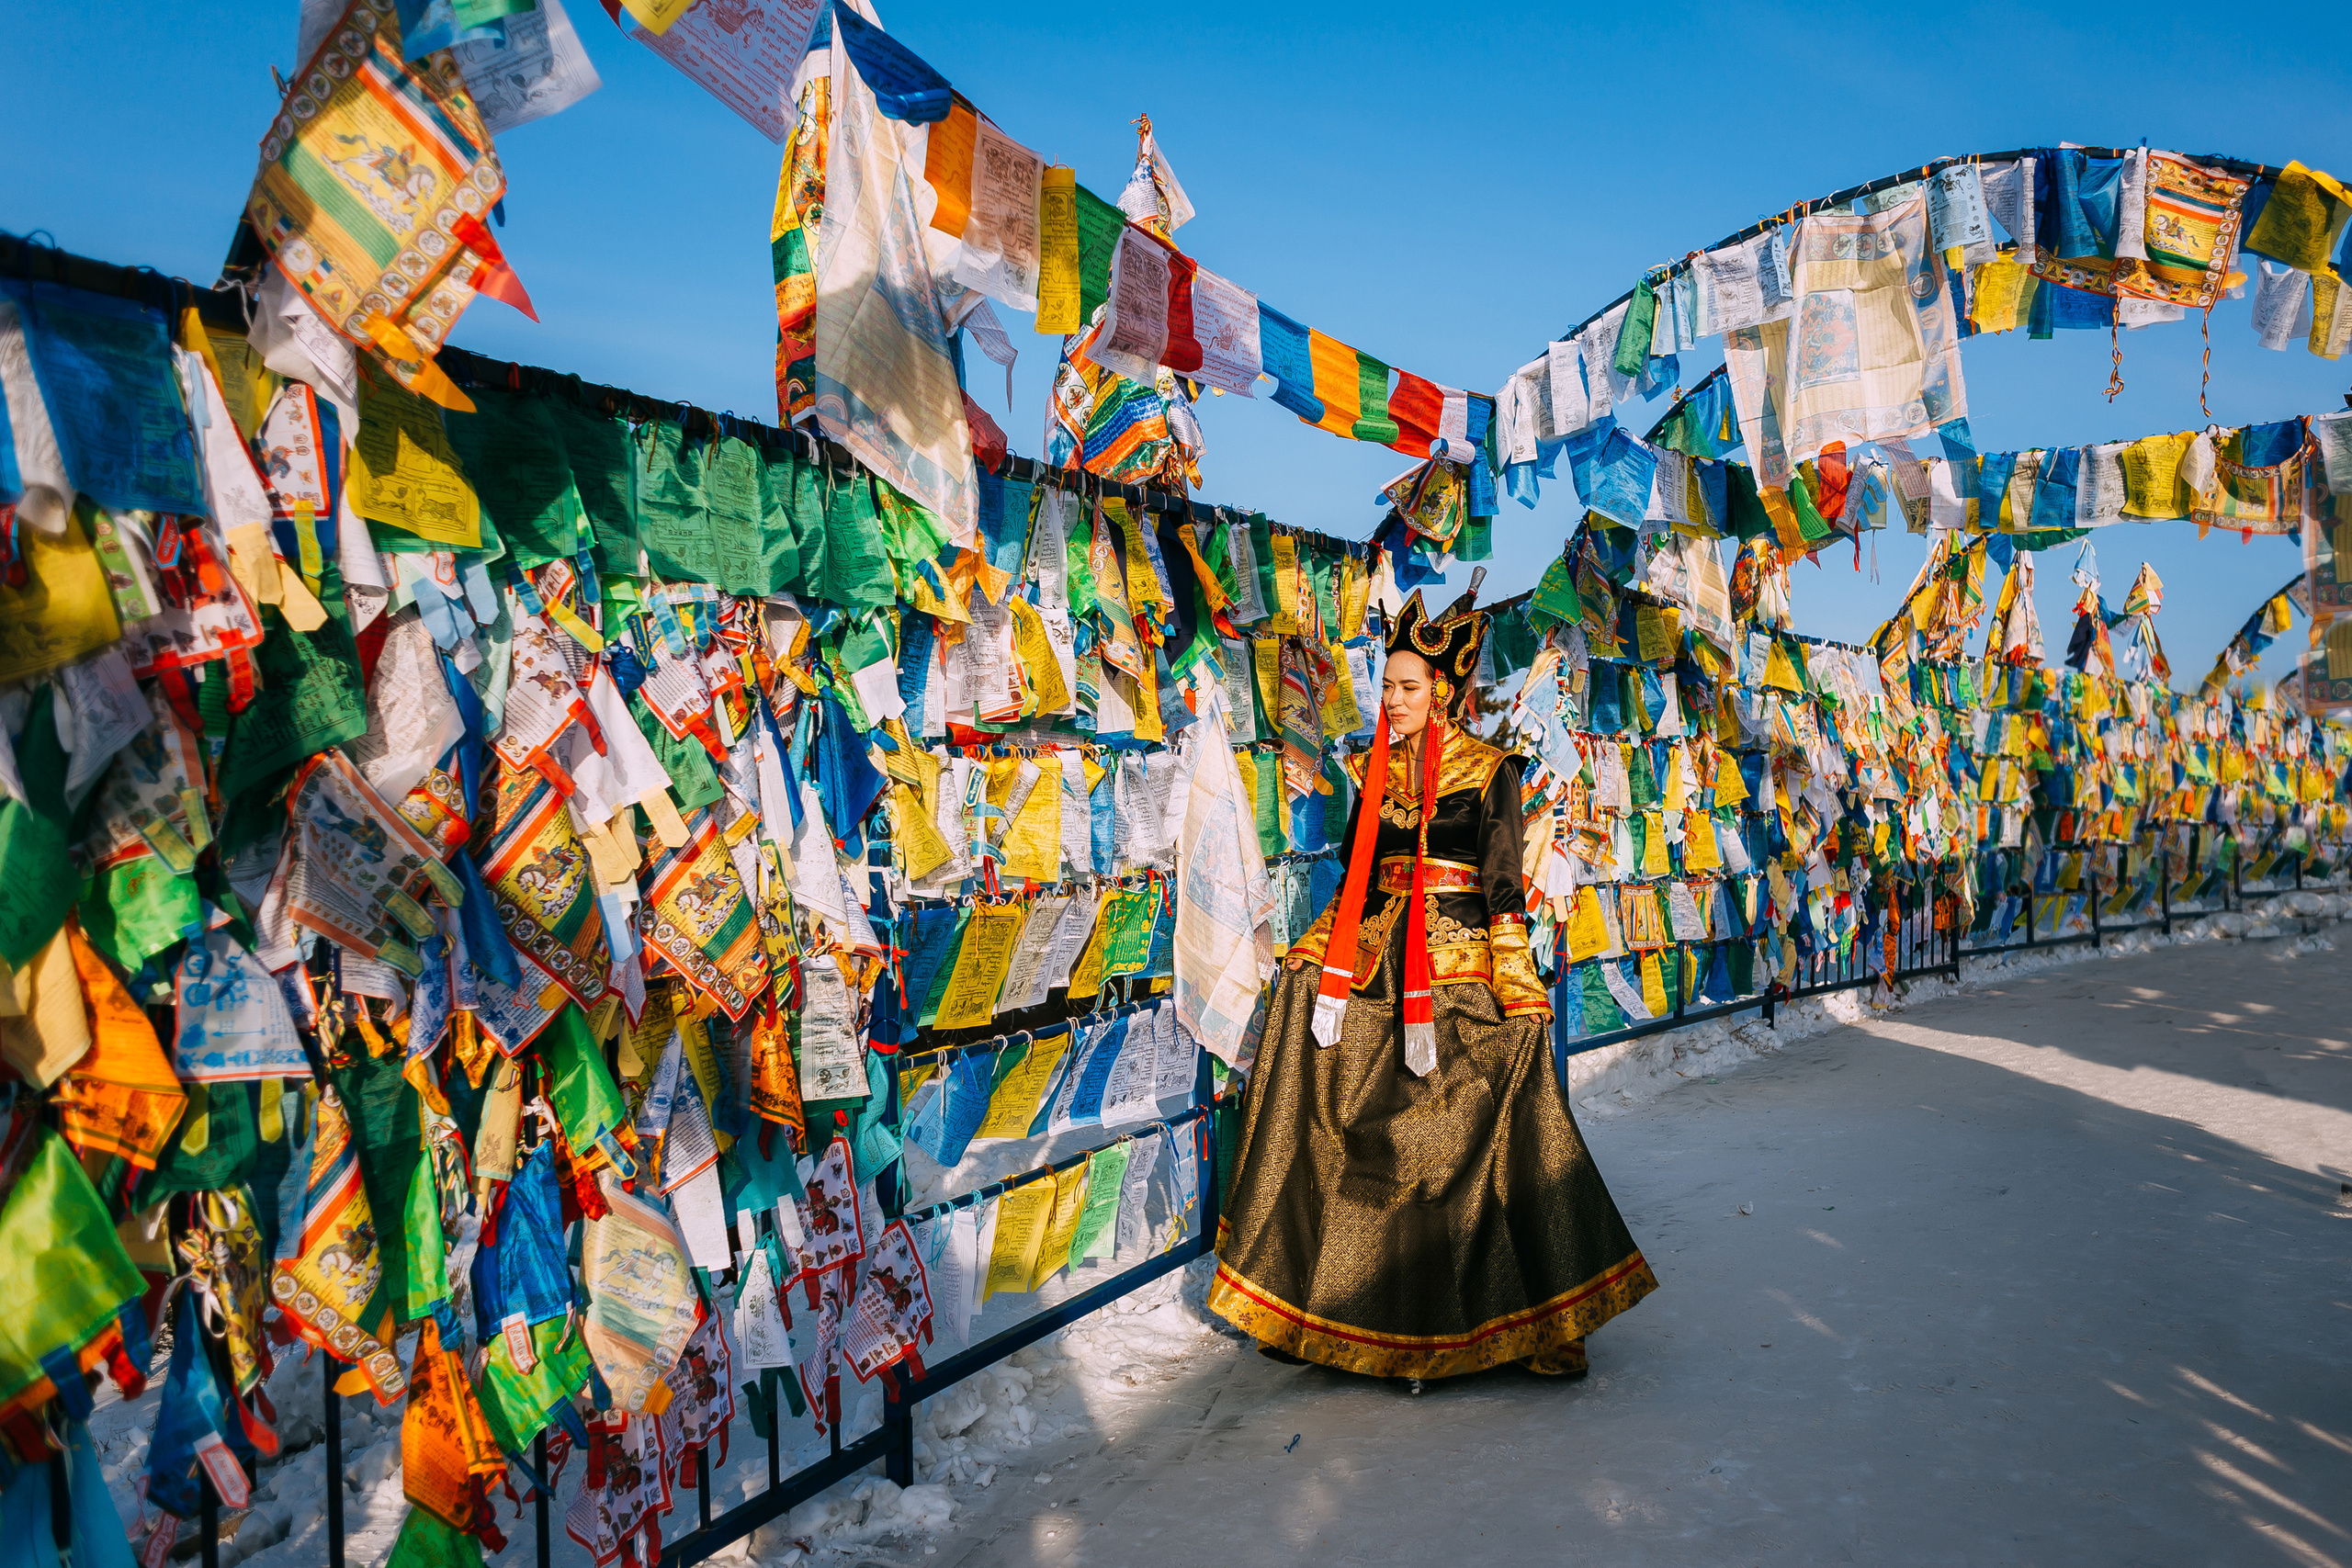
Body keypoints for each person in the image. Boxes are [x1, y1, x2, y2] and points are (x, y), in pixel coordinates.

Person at [1208, 588, 1657, 1382]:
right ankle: (1303, 1301)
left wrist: (1516, 983)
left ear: (1441, 693)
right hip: (1376, 950)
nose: (1393, 700)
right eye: (1386, 686)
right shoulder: (1370, 770)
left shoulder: (1490, 774)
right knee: (1302, 1026)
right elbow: (1356, 876)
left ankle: (1539, 1314)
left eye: (1407, 688)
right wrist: (1312, 957)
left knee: (1501, 1079)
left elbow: (1502, 887)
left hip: (1457, 957)